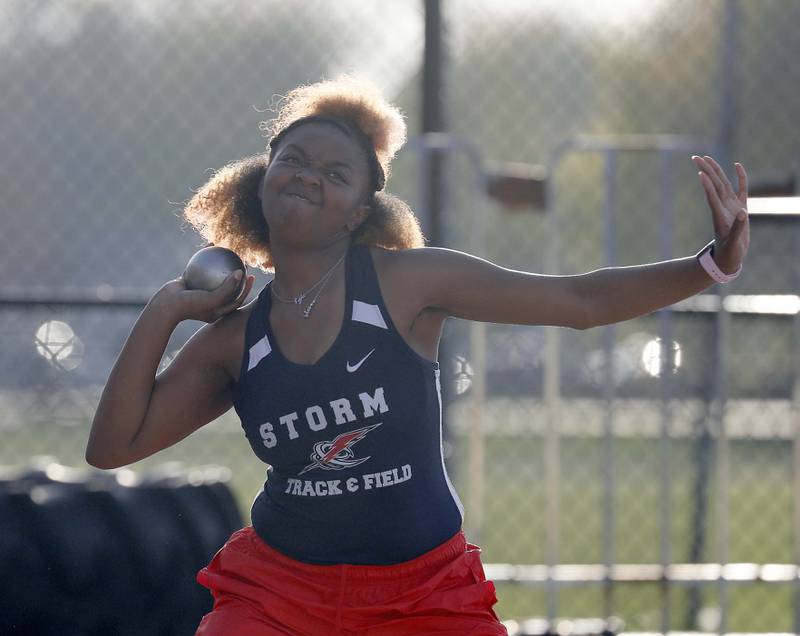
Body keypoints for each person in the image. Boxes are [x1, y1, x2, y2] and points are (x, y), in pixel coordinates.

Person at [85, 76, 750, 635]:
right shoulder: (236, 338)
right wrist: (166, 310)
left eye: (335, 173)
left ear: (357, 211)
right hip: (278, 598)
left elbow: (578, 302)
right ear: (262, 182)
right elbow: (113, 448)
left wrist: (710, 266)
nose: (310, 177)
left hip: (424, 595)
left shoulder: (406, 283)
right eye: (294, 160)